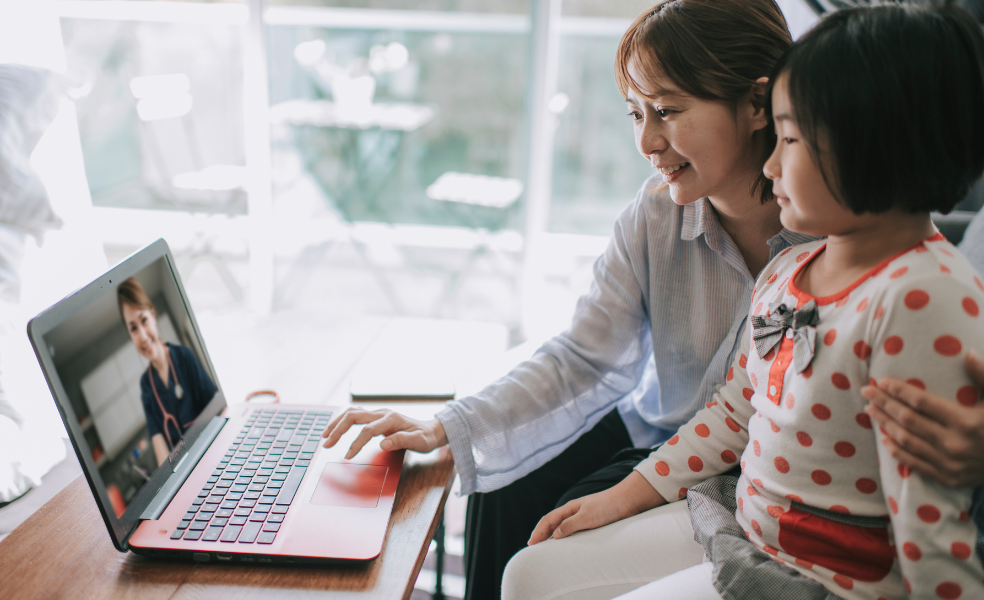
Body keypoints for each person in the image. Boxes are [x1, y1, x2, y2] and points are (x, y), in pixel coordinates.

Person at [320, 2, 984, 597]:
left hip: (767, 476)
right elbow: (586, 356)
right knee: (505, 490)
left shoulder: (860, 245)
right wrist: (447, 425)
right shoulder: (658, 214)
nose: (646, 144)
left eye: (666, 112)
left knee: (555, 534)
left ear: (759, 106)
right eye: (637, 115)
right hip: (666, 432)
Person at [117, 278, 217, 465]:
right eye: (133, 329)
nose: (143, 336)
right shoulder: (146, 386)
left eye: (144, 320)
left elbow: (218, 409)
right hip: (184, 470)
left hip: (212, 452)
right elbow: (161, 450)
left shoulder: (184, 357)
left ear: (153, 316)